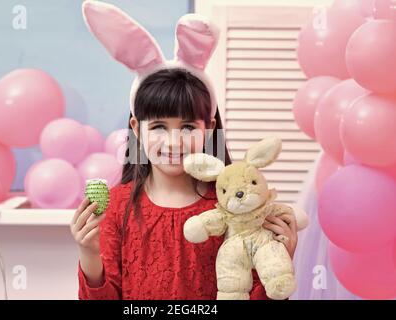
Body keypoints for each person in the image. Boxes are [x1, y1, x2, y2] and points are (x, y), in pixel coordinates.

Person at [70, 1, 298, 300]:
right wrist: (89, 252)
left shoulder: (235, 204)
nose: (174, 142)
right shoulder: (116, 207)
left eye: (188, 127)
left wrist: (281, 257)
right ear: (137, 129)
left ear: (209, 127)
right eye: (159, 127)